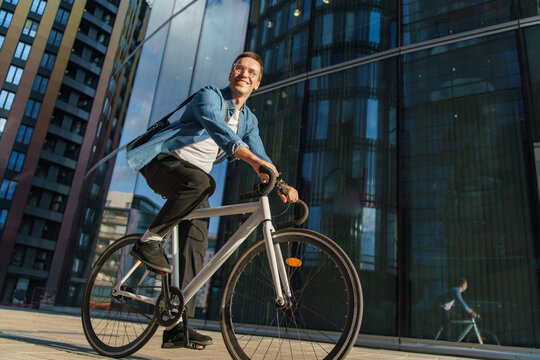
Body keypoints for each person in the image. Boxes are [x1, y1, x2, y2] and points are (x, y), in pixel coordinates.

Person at [125, 52, 298, 348]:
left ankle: (178, 325)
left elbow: (262, 155)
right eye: (238, 68)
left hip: (194, 183)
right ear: (231, 74)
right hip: (162, 162)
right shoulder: (209, 96)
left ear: (257, 84)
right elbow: (218, 130)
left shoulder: (248, 120)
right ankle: (148, 241)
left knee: (197, 239)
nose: (244, 74)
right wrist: (252, 161)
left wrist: (280, 183)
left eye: (251, 72)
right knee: (203, 182)